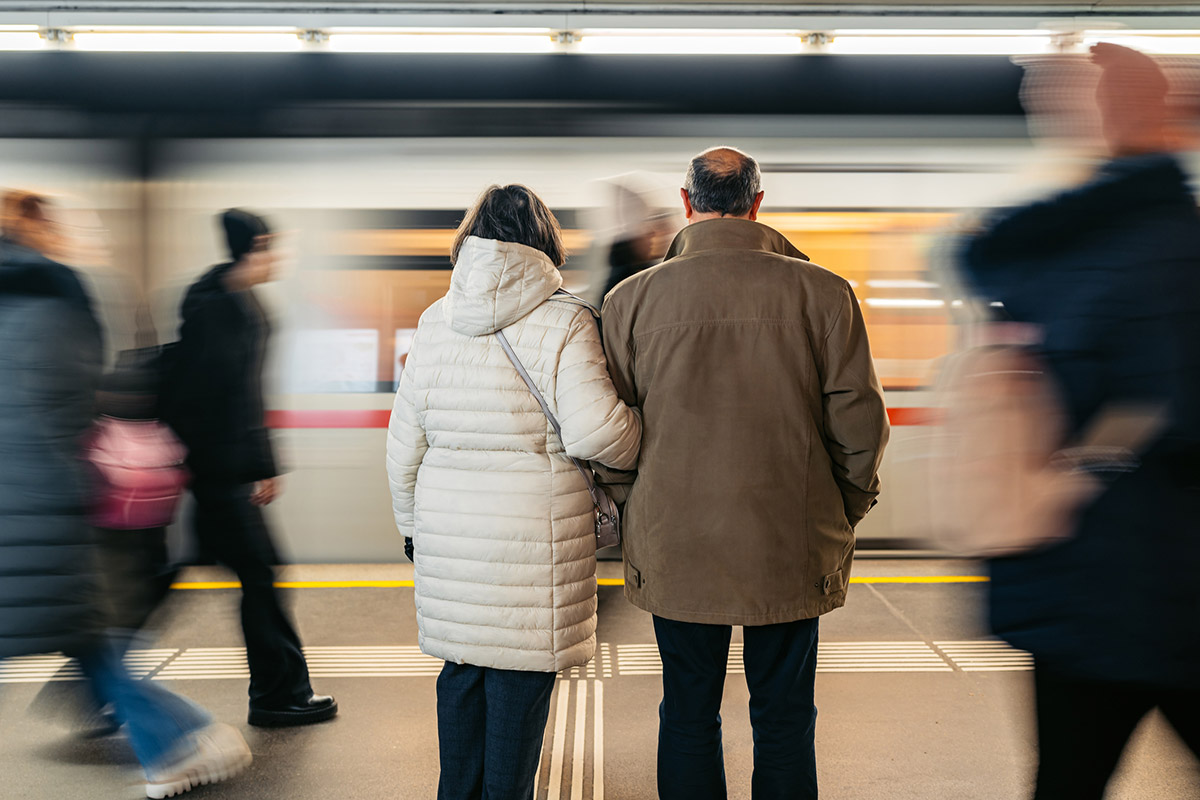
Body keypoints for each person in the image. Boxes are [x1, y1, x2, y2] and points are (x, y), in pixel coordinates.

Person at [599, 147, 889, 800]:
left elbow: (607, 430)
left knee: (688, 711)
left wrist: (634, 503)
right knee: (785, 717)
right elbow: (861, 424)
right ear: (759, 204)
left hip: (675, 542)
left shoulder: (629, 301)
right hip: (790, 537)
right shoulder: (826, 293)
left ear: (685, 203)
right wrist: (837, 509)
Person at [958, 44, 1200, 799]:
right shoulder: (1170, 246)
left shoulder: (1050, 252)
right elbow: (1179, 408)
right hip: (1170, 585)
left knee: (1067, 778)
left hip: (1069, 580)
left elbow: (980, 253)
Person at [386, 184, 641, 800]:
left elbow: (403, 449)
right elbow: (598, 432)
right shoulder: (568, 318)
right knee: (517, 707)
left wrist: (412, 531)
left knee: (461, 682)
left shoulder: (435, 319)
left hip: (450, 541)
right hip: (532, 549)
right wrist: (637, 431)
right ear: (545, 243)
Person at [0, 190, 251, 798]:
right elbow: (69, 407)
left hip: (21, 505)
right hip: (42, 506)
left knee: (89, 641)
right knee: (89, 637)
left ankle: (176, 741)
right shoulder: (53, 295)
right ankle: (178, 741)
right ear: (38, 230)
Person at [163, 209, 336, 727]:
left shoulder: (238, 304)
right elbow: (215, 401)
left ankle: (98, 675)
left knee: (178, 578)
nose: (279, 257)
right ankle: (277, 695)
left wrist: (262, 464)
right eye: (272, 247)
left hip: (224, 473)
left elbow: (245, 395)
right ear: (252, 247)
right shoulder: (216, 310)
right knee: (260, 578)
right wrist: (244, 469)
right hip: (218, 476)